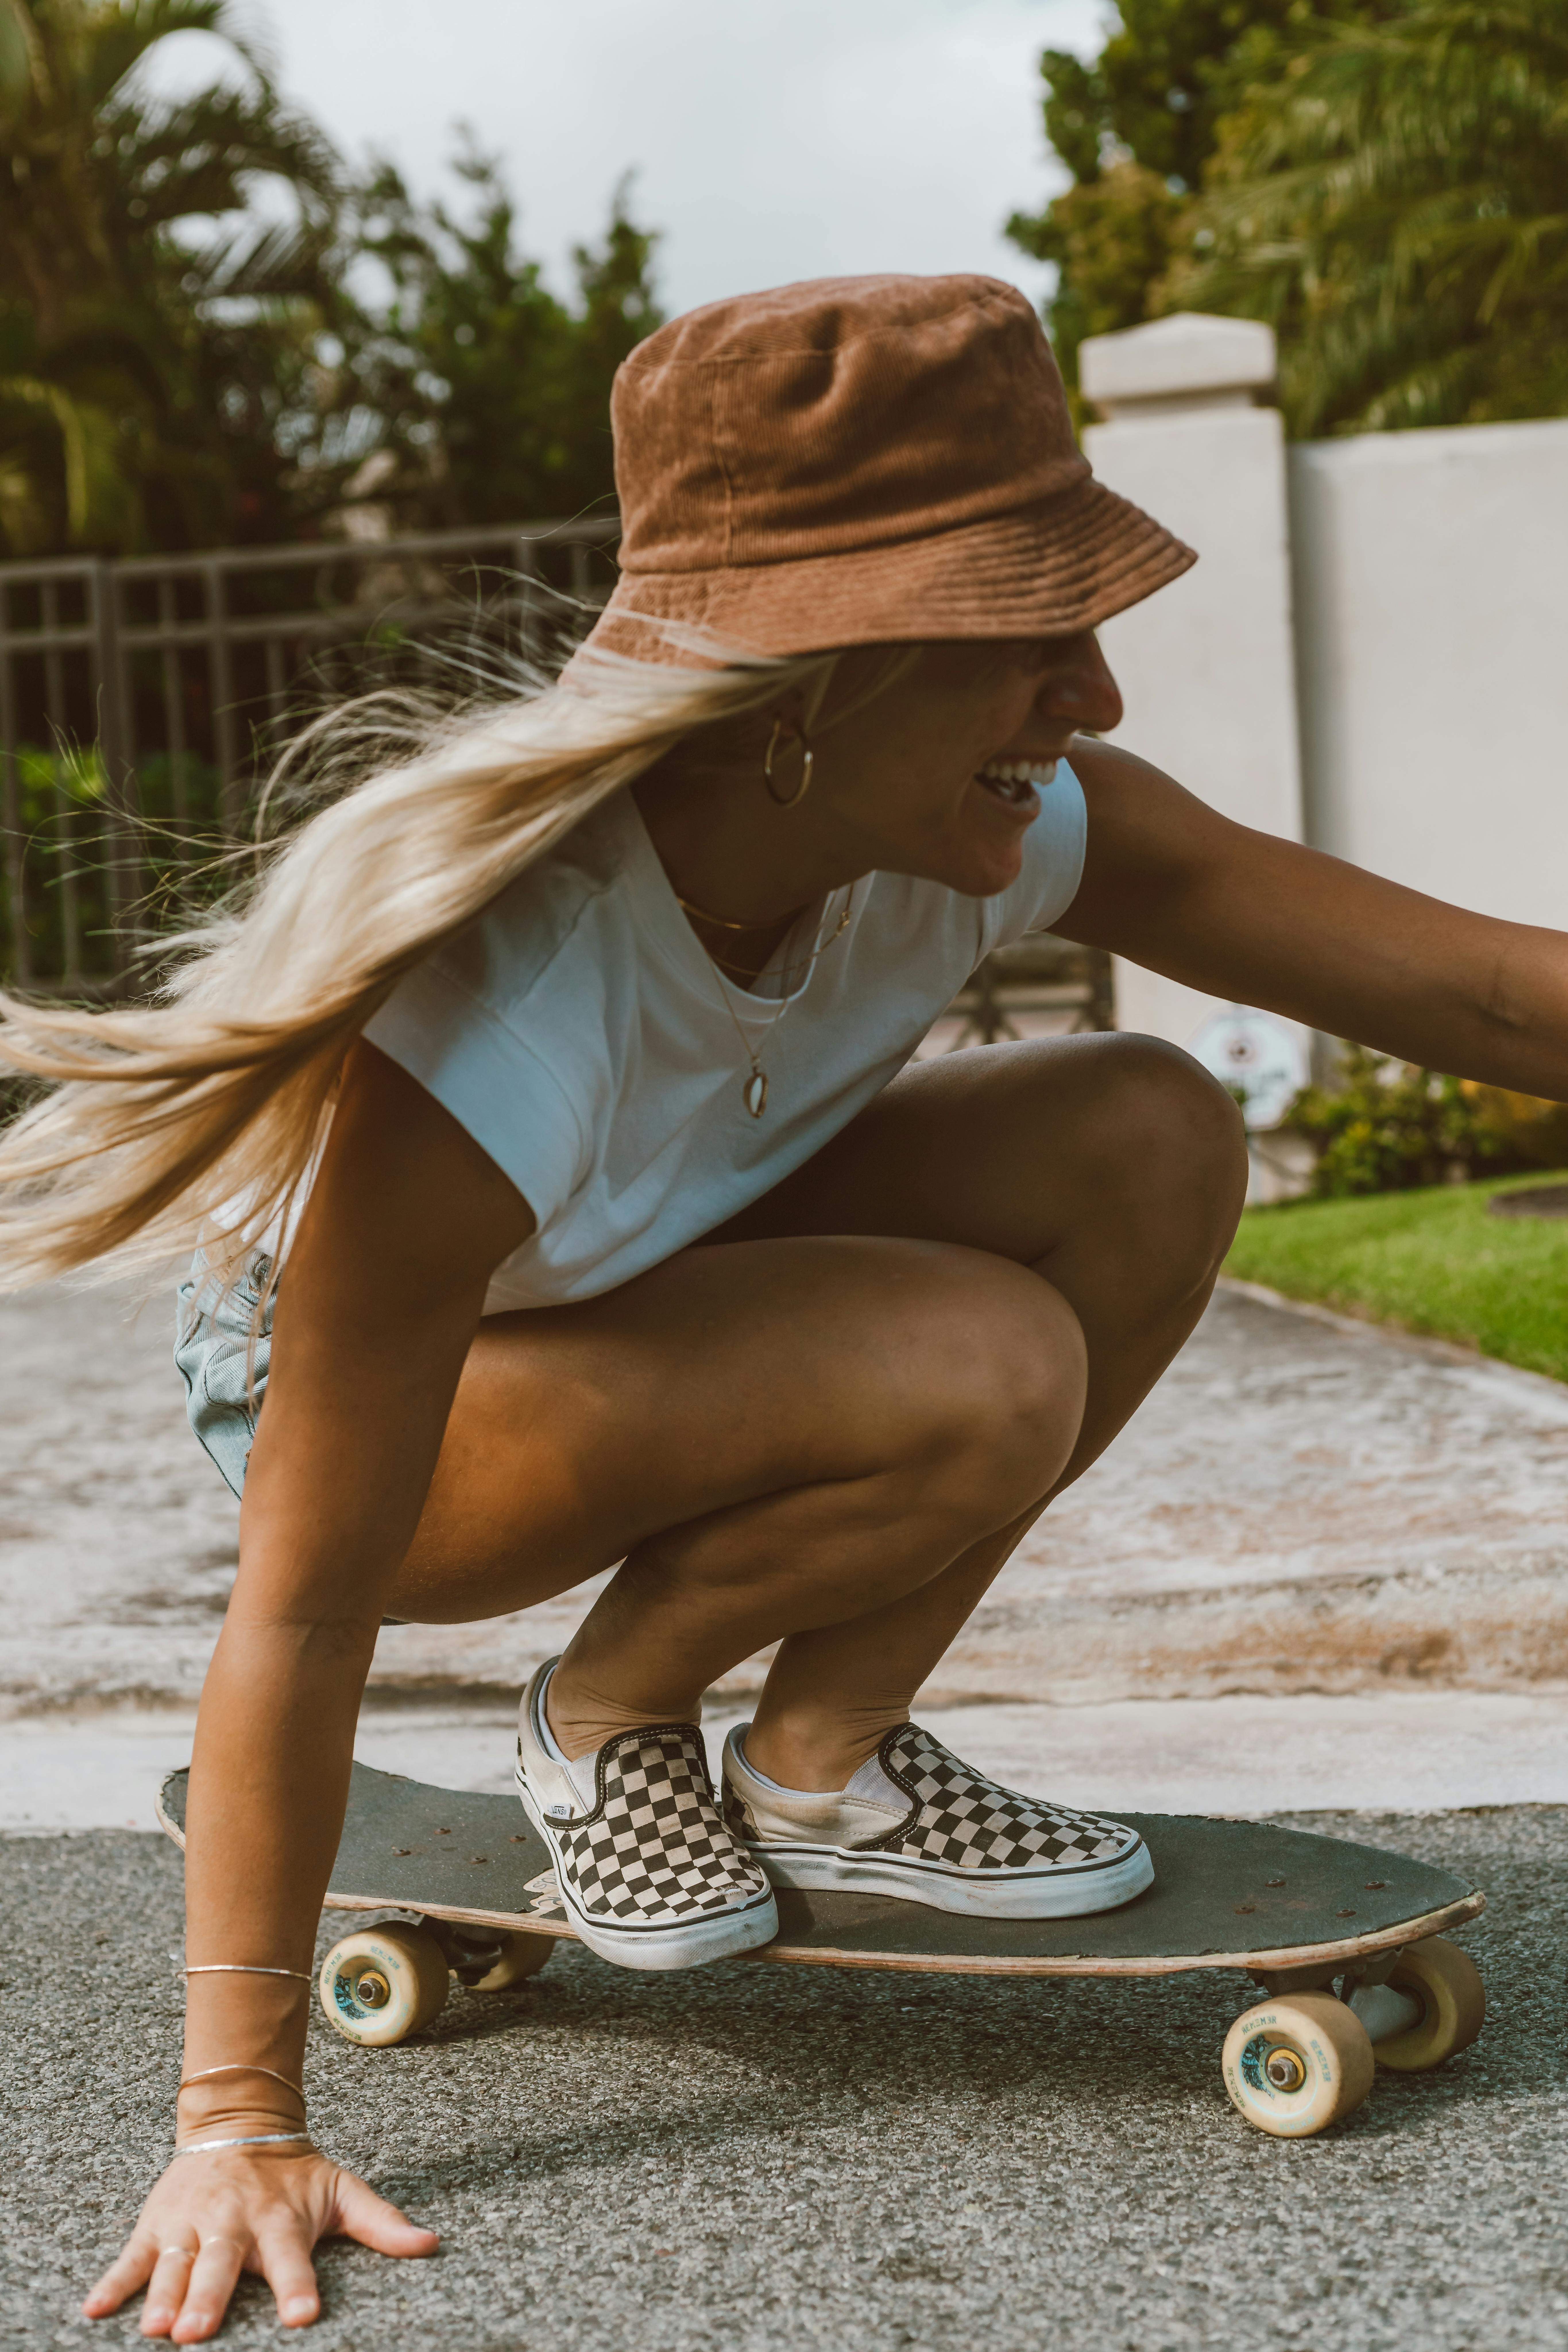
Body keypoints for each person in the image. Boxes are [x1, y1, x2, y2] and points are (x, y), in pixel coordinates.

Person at [0, 272, 1561, 2342]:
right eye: (1027, 640)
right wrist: (232, 2116)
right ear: (806, 684)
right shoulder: (496, 1011)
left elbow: (1460, 984)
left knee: (1148, 1128)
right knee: (972, 1359)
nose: (1088, 699)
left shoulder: (989, 825)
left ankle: (821, 1758)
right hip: (382, 1412)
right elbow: (297, 1605)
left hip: (655, 1268)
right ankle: (614, 1712)